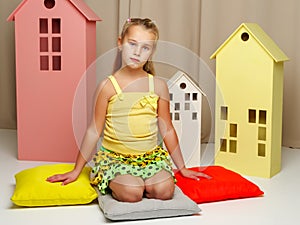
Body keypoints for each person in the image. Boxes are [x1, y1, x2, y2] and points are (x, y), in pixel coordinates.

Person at [47, 18, 209, 202]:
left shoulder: (158, 86)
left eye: (145, 48)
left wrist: (183, 168)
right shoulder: (108, 86)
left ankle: (143, 181)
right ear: (120, 43)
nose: (137, 52)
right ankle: (113, 178)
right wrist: (77, 170)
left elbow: (167, 128)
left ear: (152, 52)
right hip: (116, 159)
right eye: (132, 44)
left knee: (165, 191)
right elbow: (94, 129)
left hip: (150, 158)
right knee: (132, 193)